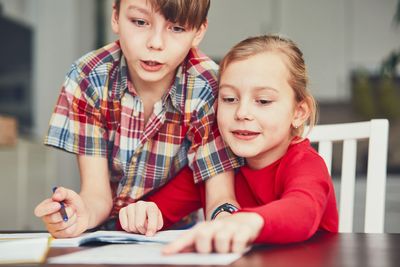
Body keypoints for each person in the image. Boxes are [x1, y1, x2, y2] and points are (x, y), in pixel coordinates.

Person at [34, 0, 242, 238]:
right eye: (140, 22)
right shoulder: (89, 77)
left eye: (176, 28)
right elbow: (97, 195)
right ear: (116, 17)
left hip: (175, 233)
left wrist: (227, 221)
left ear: (198, 32)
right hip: (106, 235)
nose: (155, 43)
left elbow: (220, 196)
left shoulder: (210, 89)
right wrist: (80, 215)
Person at [120, 34, 339, 253]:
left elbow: (303, 211)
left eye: (263, 101)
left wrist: (244, 222)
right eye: (229, 99)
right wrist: (143, 213)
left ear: (299, 113)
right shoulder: (214, 166)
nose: (242, 113)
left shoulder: (305, 164)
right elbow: (158, 211)